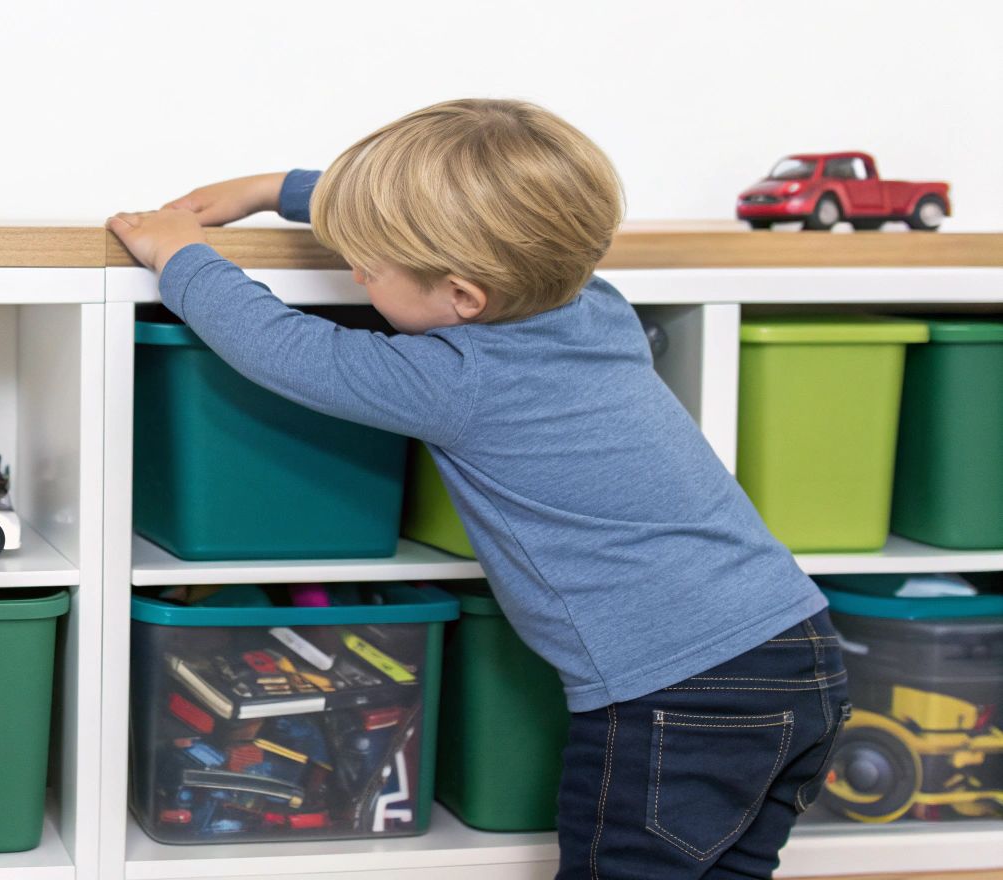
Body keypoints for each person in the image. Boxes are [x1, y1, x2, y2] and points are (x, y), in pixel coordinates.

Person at [107, 99, 849, 880]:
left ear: (463, 297)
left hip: (678, 694)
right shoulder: (596, 304)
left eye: (367, 266)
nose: (356, 272)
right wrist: (277, 189)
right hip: (800, 647)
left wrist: (180, 254)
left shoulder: (457, 379)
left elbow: (283, 346)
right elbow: (470, 215)